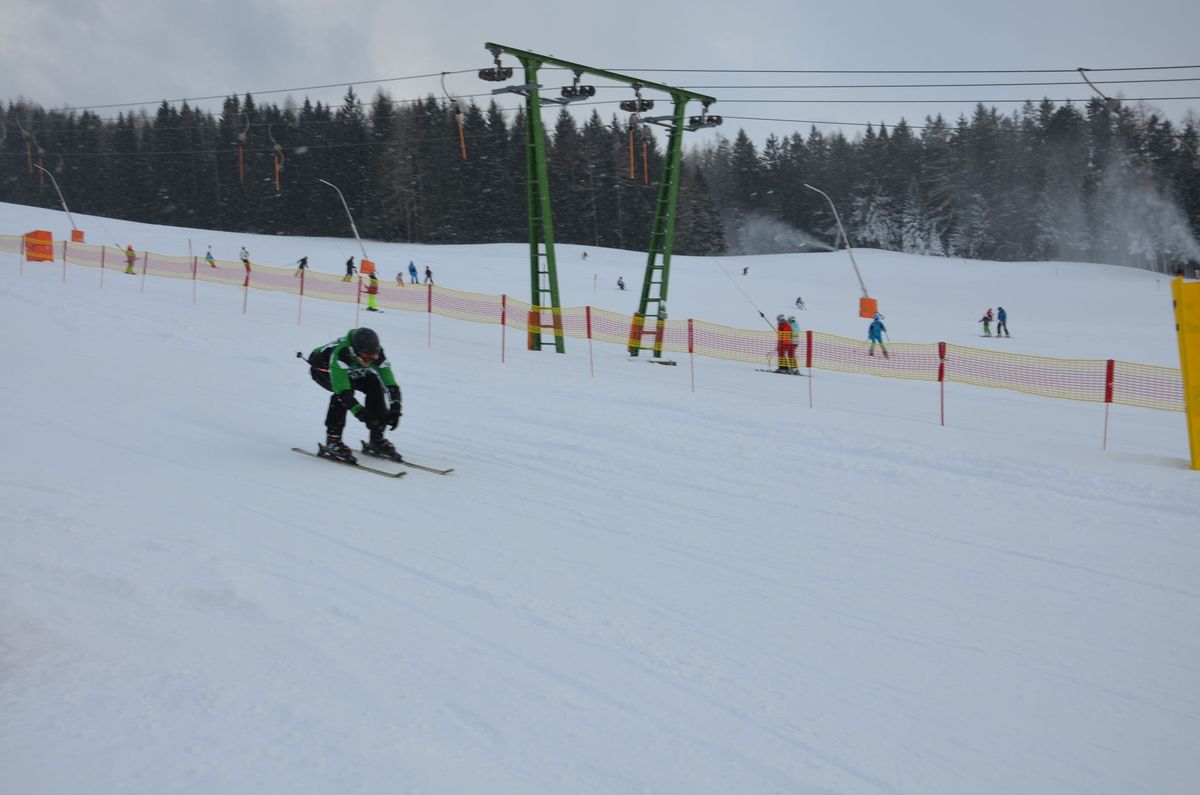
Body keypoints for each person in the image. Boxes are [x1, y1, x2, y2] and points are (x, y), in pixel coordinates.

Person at [307, 327, 403, 463]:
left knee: (374, 385)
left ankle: (376, 438)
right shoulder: (341, 354)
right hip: (323, 369)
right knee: (344, 395)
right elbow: (343, 393)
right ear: (354, 351)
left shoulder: (377, 353)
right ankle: (333, 440)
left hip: (353, 369)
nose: (369, 361)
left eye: (373, 357)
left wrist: (395, 408)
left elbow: (391, 384)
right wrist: (361, 413)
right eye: (365, 357)